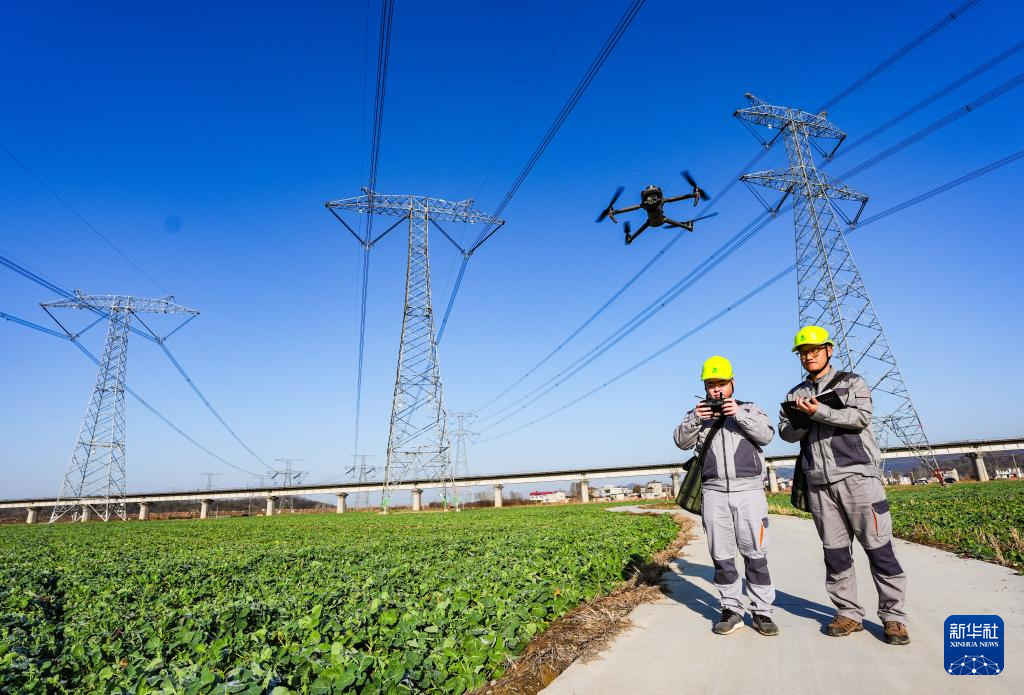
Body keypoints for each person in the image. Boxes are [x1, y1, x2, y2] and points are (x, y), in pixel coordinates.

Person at [778, 325, 910, 645]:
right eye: (803, 352)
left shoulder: (853, 382)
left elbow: (859, 418)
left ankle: (894, 618)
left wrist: (820, 410)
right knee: (835, 554)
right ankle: (848, 613)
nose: (808, 355)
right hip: (819, 484)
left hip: (858, 478)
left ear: (828, 350)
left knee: (880, 551)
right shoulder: (795, 393)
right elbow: (785, 432)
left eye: (814, 349)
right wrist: (803, 418)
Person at [674, 356, 778, 636]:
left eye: (721, 383)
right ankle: (731, 609)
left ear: (732, 383)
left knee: (756, 554)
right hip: (714, 492)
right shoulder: (697, 415)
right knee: (722, 556)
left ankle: (762, 612)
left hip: (749, 492)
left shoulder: (750, 409)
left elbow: (767, 436)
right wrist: (697, 417)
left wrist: (738, 414)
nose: (716, 390)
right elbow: (680, 441)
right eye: (711, 384)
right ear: (705, 387)